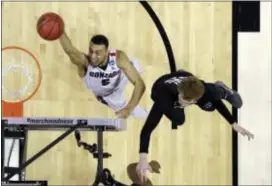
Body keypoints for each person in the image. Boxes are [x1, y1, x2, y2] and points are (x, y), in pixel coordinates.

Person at [136, 69, 254, 183]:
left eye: (188, 102)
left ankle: (222, 90)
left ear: (195, 100)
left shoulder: (204, 89)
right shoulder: (164, 99)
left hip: (189, 78)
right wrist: (143, 158)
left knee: (210, 106)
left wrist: (233, 123)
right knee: (179, 120)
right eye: (182, 98)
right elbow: (147, 129)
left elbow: (217, 103)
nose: (183, 103)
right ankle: (179, 76)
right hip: (161, 87)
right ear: (180, 91)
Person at [59, 31, 148, 119]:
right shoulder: (85, 63)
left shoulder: (118, 57)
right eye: (91, 51)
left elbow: (140, 84)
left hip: (119, 77)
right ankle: (147, 115)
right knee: (128, 111)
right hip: (110, 94)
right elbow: (69, 50)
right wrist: (60, 30)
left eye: (97, 53)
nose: (93, 56)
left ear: (106, 52)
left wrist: (129, 109)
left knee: (134, 65)